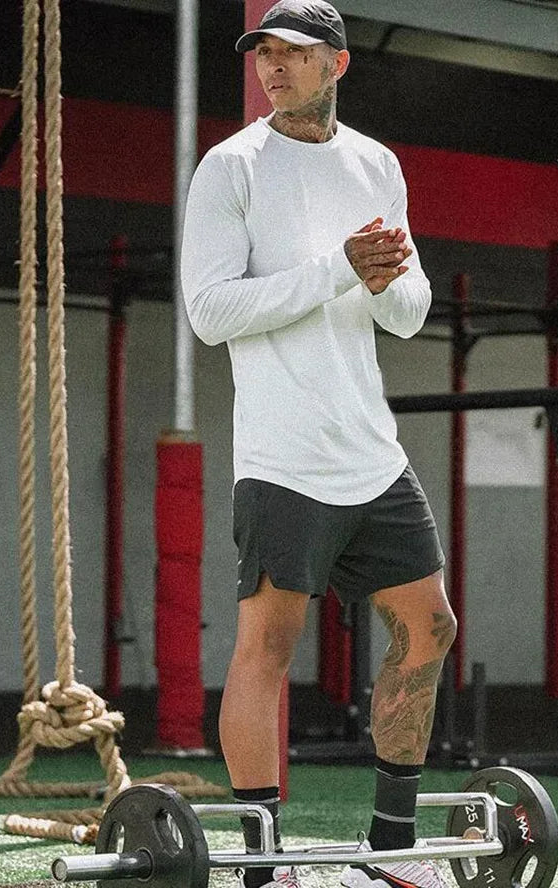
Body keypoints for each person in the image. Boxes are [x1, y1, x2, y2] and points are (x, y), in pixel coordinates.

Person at [181, 3, 456, 888]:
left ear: (336, 65)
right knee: (269, 646)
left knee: (430, 625)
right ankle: (265, 863)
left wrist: (385, 274)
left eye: (295, 54)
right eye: (265, 54)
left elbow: (409, 318)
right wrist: (341, 265)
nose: (274, 68)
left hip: (370, 449)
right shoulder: (231, 167)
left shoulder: (377, 163)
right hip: (282, 455)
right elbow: (211, 311)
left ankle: (390, 847)